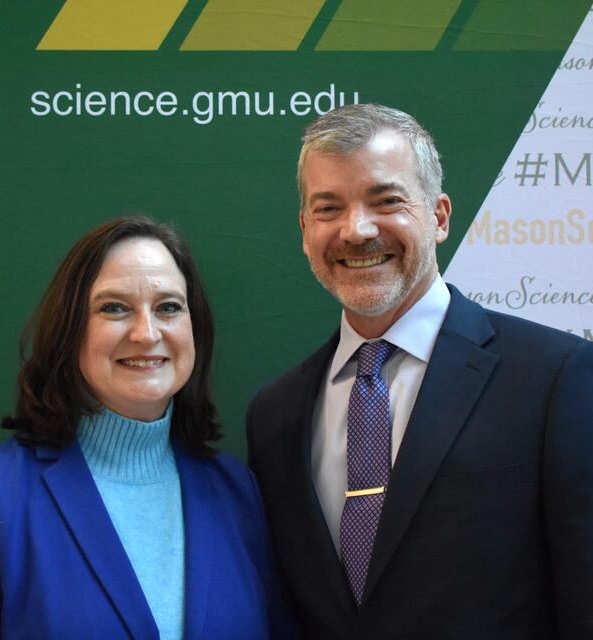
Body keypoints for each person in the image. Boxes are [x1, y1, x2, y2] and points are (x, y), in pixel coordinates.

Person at [246, 104, 593, 639]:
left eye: (386, 201)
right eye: (328, 208)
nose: (356, 230)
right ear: (304, 228)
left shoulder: (556, 377)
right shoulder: (274, 414)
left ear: (439, 216)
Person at [0, 216, 296, 640]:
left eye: (169, 307)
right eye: (114, 307)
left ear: (195, 329)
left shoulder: (237, 492)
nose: (146, 333)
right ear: (70, 330)